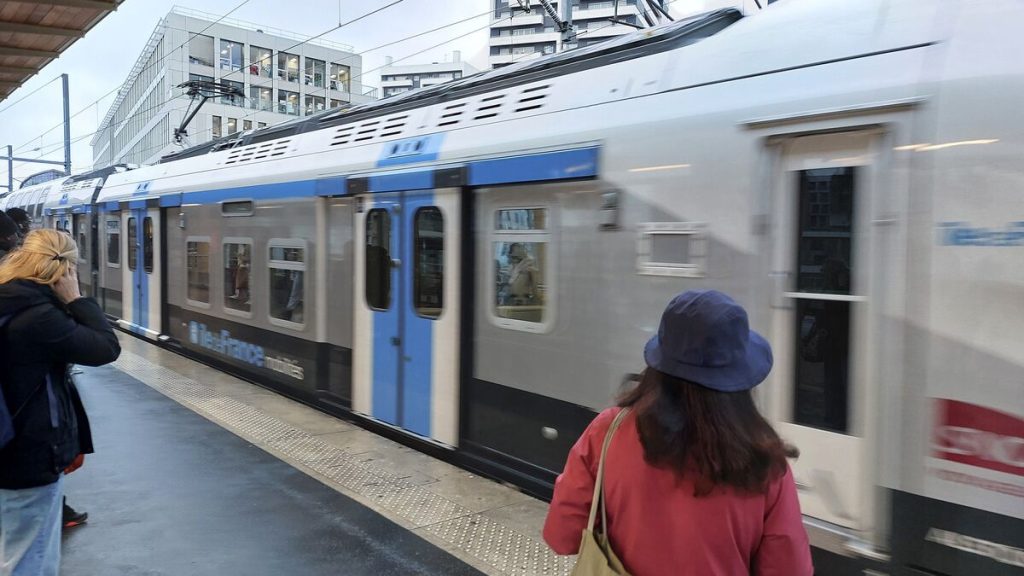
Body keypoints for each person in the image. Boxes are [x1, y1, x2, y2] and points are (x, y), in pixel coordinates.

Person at [543, 290, 813, 576]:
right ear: (740, 375)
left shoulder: (607, 432)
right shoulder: (765, 463)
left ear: (659, 363)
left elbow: (562, 535)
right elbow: (789, 569)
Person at [0, 229, 121, 575]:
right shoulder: (38, 316)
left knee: (14, 546)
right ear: (65, 269)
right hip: (26, 452)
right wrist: (77, 300)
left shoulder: (8, 298)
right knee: (31, 556)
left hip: (8, 446)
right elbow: (105, 348)